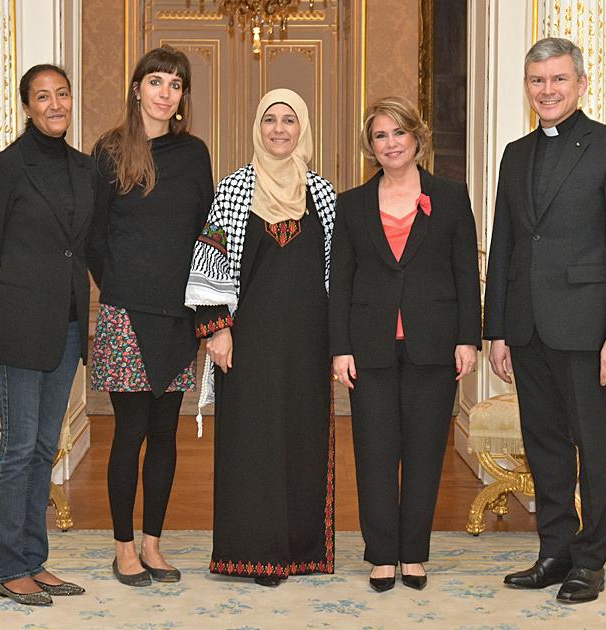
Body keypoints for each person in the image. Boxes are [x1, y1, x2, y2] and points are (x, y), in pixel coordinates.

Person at [484, 37, 606, 603]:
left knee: (594, 447)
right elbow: (504, 242)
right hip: (527, 329)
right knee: (545, 445)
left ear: (581, 84)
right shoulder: (515, 153)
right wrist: (497, 329)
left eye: (557, 79)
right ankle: (553, 551)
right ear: (525, 87)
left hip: (588, 330)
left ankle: (590, 560)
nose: (547, 90)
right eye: (536, 80)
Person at [185, 88, 336, 587]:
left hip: (308, 346)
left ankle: (300, 552)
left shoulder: (324, 195)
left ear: (303, 128)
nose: (278, 129)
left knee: (301, 443)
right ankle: (251, 554)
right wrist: (217, 330)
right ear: (257, 126)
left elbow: (339, 274)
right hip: (246, 345)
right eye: (269, 119)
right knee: (250, 446)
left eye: (289, 120)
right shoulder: (232, 191)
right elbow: (210, 262)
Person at [329, 96, 480, 593]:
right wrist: (340, 347)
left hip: (434, 346)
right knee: (374, 454)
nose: (390, 143)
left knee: (423, 452)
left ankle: (413, 553)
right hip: (368, 349)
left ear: (417, 138)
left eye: (398, 133)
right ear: (370, 146)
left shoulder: (453, 197)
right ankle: (380, 554)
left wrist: (467, 338)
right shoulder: (351, 205)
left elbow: (464, 273)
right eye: (380, 136)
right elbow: (341, 281)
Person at [0, 64, 92, 606]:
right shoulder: (6, 167)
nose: (55, 103)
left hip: (66, 327)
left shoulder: (86, 170)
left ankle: (33, 560)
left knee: (44, 447)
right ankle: (9, 566)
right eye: (43, 96)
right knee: (18, 449)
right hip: (19, 328)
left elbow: (85, 248)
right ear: (28, 105)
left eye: (62, 93)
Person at [87, 46, 213, 587]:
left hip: (178, 315)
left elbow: (209, 235)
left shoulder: (195, 153)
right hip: (125, 315)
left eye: (175, 85)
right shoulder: (110, 151)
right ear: (137, 88)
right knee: (129, 433)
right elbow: (93, 236)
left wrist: (206, 307)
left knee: (166, 435)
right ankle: (123, 548)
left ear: (183, 96)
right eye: (156, 81)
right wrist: (119, 288)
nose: (165, 92)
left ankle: (154, 545)